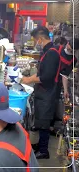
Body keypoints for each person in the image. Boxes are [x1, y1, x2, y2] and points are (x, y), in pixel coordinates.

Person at [21, 26, 61, 159]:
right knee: (41, 120)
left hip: (47, 93)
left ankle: (44, 151)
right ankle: (40, 145)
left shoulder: (52, 53)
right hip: (43, 93)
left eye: (35, 39)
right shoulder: (47, 51)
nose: (35, 42)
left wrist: (29, 79)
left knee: (44, 122)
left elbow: (46, 77)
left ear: (40, 38)